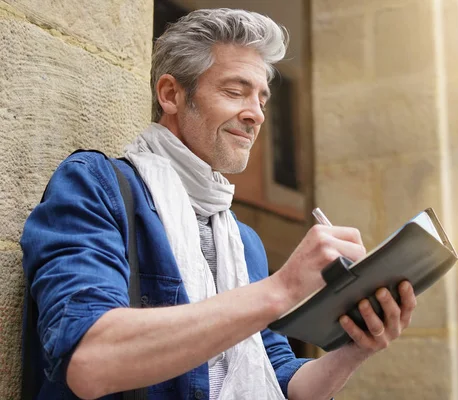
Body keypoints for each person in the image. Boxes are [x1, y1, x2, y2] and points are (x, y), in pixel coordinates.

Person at [20, 8, 417, 400]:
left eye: (262, 98)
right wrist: (282, 289)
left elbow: (278, 376)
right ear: (171, 95)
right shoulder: (95, 184)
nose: (256, 114)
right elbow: (89, 361)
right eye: (235, 91)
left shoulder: (245, 242)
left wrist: (355, 349)